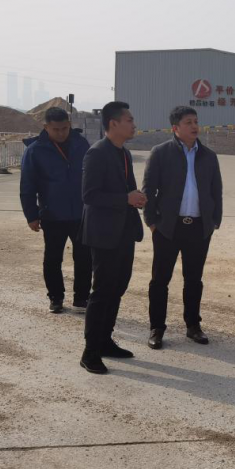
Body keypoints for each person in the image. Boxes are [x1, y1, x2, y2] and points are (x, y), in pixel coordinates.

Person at [142, 106, 223, 350]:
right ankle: (157, 328)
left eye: (196, 121)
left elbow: (215, 191)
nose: (194, 126)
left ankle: (193, 326)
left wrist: (213, 221)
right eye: (188, 122)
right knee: (160, 280)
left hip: (198, 228)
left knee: (194, 280)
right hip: (168, 227)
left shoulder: (209, 156)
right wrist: (152, 222)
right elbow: (149, 189)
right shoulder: (160, 153)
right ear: (175, 128)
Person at [79, 101, 146, 375]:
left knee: (117, 288)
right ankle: (90, 352)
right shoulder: (97, 153)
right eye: (129, 120)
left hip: (124, 232)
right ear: (113, 123)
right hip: (104, 234)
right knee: (102, 291)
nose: (134, 125)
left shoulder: (124, 153)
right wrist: (125, 199)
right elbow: (89, 195)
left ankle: (105, 341)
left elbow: (126, 190)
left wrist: (136, 198)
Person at [19, 106, 91, 313]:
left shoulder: (81, 144)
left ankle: (82, 298)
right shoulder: (35, 150)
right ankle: (56, 297)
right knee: (52, 258)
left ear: (70, 125)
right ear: (46, 127)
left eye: (65, 128)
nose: (61, 133)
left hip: (81, 213)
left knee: (85, 258)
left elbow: (92, 176)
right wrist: (31, 215)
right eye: (56, 129)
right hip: (52, 214)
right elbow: (27, 186)